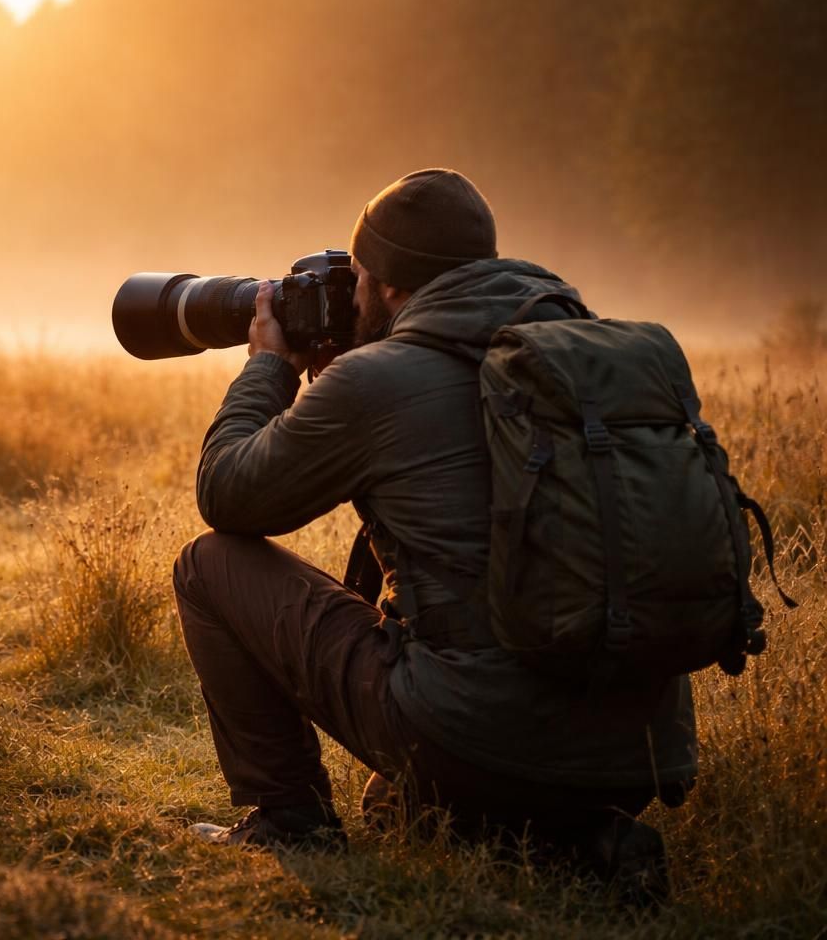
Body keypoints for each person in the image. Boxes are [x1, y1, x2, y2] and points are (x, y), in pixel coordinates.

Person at [175, 169, 691, 897]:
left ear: (387, 288)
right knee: (403, 814)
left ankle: (290, 818)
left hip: (475, 736)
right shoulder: (576, 351)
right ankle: (590, 842)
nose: (350, 293)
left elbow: (227, 494)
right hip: (642, 751)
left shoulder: (381, 381)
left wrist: (268, 369)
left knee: (209, 564)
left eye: (358, 276)